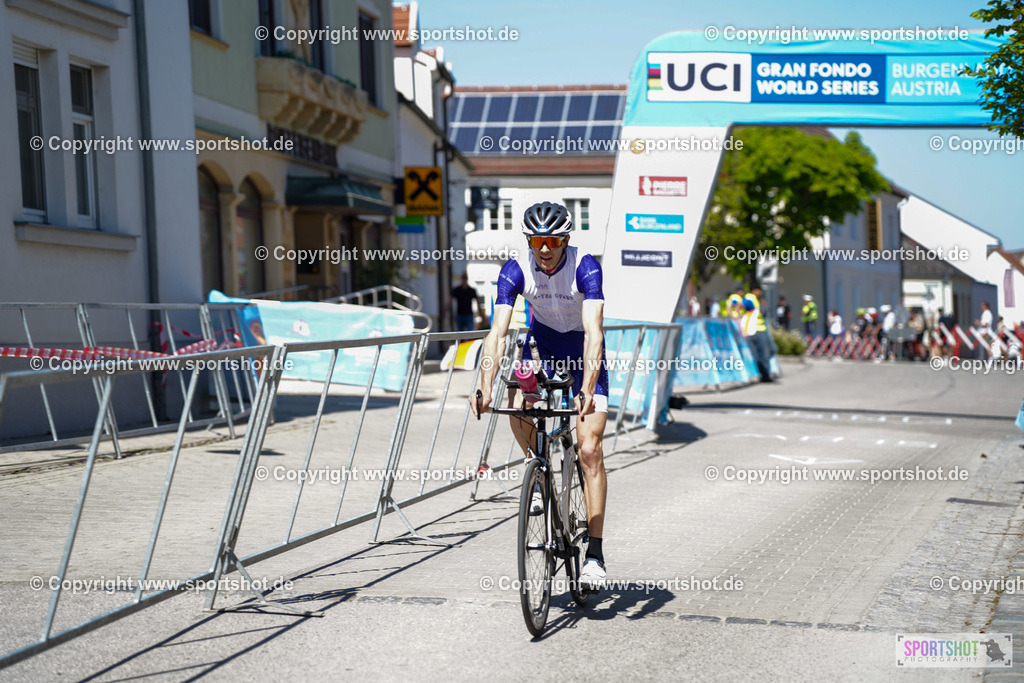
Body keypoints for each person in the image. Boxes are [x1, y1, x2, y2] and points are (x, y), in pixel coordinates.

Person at [470, 201, 609, 590]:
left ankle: (595, 554)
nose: (544, 249)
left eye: (551, 241)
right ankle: (538, 470)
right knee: (516, 396)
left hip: (583, 352)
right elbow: (497, 334)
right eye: (536, 241)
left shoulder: (586, 267)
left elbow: (595, 333)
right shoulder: (515, 269)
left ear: (564, 240)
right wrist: (483, 384)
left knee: (589, 450)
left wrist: (585, 387)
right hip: (542, 347)